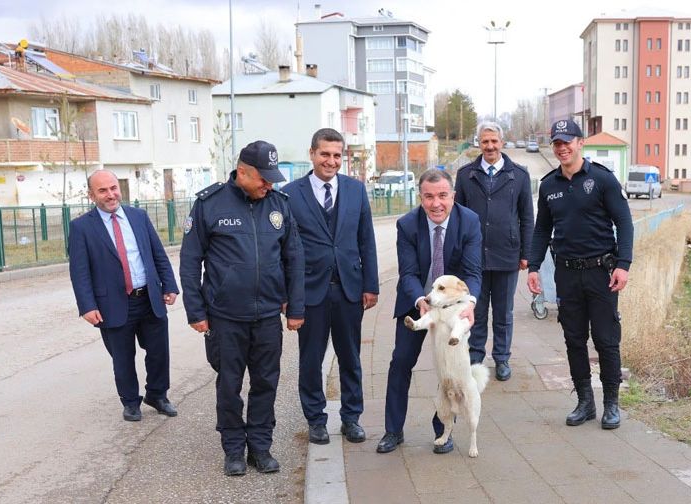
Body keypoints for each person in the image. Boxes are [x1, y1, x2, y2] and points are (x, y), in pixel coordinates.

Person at [179, 140, 305, 476]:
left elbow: (294, 258)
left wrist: (296, 307)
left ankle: (260, 448)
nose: (270, 184)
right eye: (263, 178)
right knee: (229, 385)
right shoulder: (210, 204)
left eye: (272, 178)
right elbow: (190, 262)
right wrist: (196, 312)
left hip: (266, 316)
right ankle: (234, 449)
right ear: (243, 172)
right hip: (225, 317)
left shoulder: (279, 204)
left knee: (266, 383)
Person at [526, 119, 634, 429]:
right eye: (557, 143)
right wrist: (534, 267)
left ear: (580, 142)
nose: (562, 147)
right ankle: (585, 402)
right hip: (567, 274)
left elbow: (624, 223)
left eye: (567, 141)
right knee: (574, 339)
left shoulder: (602, 179)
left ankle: (611, 403)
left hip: (602, 273)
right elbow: (542, 229)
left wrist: (624, 265)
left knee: (606, 339)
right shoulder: (548, 186)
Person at [282, 128, 379, 446]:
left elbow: (366, 239)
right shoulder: (290, 194)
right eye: (325, 154)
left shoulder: (355, 190)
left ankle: (352, 419)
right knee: (310, 360)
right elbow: (282, 249)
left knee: (350, 357)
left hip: (349, 290)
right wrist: (287, 295)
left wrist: (371, 284)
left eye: (337, 155)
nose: (331, 161)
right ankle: (316, 420)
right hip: (309, 292)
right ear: (312, 154)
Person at [377, 169, 482, 455]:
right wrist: (420, 300)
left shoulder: (469, 221)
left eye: (442, 196)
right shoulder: (407, 225)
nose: (436, 204)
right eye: (429, 197)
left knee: (449, 370)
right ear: (420, 197)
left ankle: (444, 432)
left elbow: (473, 272)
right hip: (418, 303)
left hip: (453, 309)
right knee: (400, 362)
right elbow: (408, 273)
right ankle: (393, 430)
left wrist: (470, 303)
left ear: (453, 196)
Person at [68, 170, 180, 422]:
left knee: (159, 351)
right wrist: (87, 305)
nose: (111, 194)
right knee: (122, 357)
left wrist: (169, 285)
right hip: (113, 304)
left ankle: (158, 395)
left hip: (149, 297)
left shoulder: (138, 216)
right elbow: (79, 271)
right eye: (103, 190)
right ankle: (130, 402)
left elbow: (157, 253)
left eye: (113, 188)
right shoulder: (81, 227)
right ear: (91, 195)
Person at [455, 121, 533, 381]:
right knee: (475, 310)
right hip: (474, 256)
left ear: (502, 142)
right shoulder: (466, 175)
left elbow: (527, 217)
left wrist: (526, 253)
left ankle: (502, 358)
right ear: (479, 142)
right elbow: (457, 216)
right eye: (484, 141)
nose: (489, 146)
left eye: (494, 141)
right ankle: (476, 356)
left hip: (507, 254)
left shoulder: (518, 176)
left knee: (503, 312)